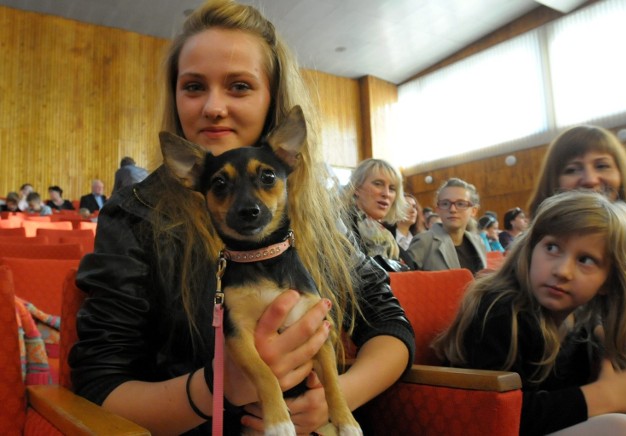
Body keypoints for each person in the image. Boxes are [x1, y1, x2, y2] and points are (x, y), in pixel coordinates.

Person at [68, 2, 415, 434]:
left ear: (273, 99)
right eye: (194, 86)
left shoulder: (319, 211)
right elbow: (99, 387)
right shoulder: (136, 213)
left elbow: (389, 323)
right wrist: (222, 386)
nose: (213, 106)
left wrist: (336, 400)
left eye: (238, 86)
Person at [433, 190, 626, 436]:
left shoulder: (582, 323)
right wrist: (608, 395)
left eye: (585, 260)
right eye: (552, 247)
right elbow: (495, 414)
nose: (563, 271)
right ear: (531, 249)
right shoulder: (498, 309)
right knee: (624, 428)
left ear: (608, 282)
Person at [528, 124, 626, 217]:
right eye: (572, 170)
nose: (590, 180)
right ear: (552, 182)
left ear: (621, 173)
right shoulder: (534, 242)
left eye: (602, 166)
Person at [343, 158, 413, 271]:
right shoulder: (341, 227)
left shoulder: (387, 236)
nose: (386, 194)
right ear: (356, 187)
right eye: (378, 184)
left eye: (392, 188)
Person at [408, 177, 486, 275]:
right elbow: (406, 284)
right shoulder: (424, 242)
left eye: (461, 204)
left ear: (474, 211)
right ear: (438, 209)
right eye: (445, 204)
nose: (452, 209)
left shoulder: (478, 242)